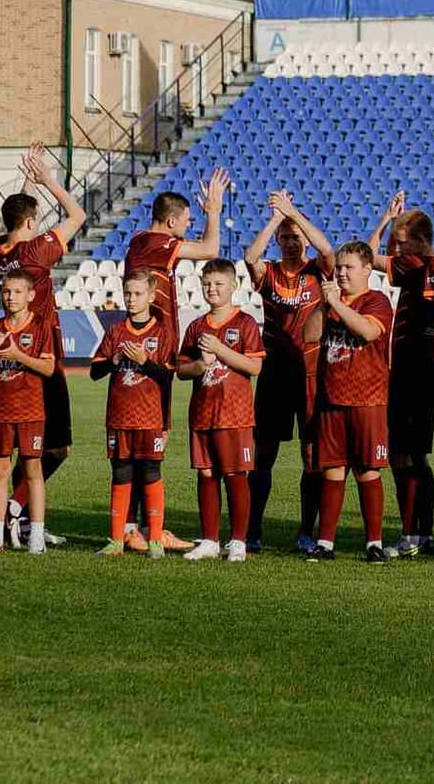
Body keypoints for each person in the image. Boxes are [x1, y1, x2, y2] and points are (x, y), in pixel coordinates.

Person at [123, 168, 230, 550]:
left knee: (142, 441)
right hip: (155, 350)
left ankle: (133, 527)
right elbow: (210, 250)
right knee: (153, 439)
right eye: (188, 220)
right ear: (171, 222)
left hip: (147, 344)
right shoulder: (156, 242)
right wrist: (215, 210)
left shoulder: (139, 240)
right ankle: (145, 529)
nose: (191, 225)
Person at [0, 144, 86, 546]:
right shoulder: (35, 251)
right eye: (37, 217)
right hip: (41, 353)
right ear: (30, 221)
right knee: (56, 448)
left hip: (14, 359)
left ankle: (21, 518)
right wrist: (48, 180)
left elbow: (17, 217)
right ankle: (16, 508)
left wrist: (27, 182)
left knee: (22, 450)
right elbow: (77, 215)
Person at [243, 190, 333, 553]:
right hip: (275, 372)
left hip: (311, 373)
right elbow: (250, 256)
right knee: (264, 453)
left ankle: (305, 531)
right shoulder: (270, 274)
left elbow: (327, 250)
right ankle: (251, 530)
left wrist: (293, 213)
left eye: (297, 238)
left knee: (312, 455)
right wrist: (277, 219)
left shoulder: (317, 270)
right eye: (286, 238)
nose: (292, 243)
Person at [302, 242, 395, 562]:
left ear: (367, 269)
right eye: (339, 267)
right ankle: (325, 542)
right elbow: (310, 335)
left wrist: (337, 306)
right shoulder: (331, 302)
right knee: (332, 472)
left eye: (348, 267)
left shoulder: (377, 300)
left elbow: (368, 331)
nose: (341, 272)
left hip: (367, 400)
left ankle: (374, 542)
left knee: (367, 472)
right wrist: (323, 305)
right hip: (332, 399)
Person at [370, 192, 434, 558]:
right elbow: (374, 254)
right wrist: (389, 220)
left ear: (419, 241)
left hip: (417, 370)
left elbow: (370, 256)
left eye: (401, 243)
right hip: (402, 370)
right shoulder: (418, 263)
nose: (395, 249)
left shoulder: (424, 265)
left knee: (411, 455)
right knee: (403, 454)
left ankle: (417, 533)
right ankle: (415, 531)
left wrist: (388, 221)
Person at [176, 260, 264, 563]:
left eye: (218, 284)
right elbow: (181, 369)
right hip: (202, 412)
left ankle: (238, 541)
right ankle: (210, 540)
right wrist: (200, 365)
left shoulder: (245, 323)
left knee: (235, 475)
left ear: (233, 286)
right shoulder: (196, 326)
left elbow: (254, 366)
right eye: (207, 284)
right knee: (206, 474)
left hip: (234, 414)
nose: (212, 290)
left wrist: (220, 350)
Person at [88, 271, 174, 559]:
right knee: (120, 472)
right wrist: (114, 360)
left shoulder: (161, 333)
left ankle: (156, 541)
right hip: (119, 417)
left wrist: (144, 362)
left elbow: (167, 376)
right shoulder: (115, 331)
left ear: (150, 296)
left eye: (137, 294)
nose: (131, 299)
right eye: (127, 293)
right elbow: (94, 372)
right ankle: (115, 539)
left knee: (151, 473)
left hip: (150, 418)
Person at [0, 269, 58, 555]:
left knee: (31, 471)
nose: (10, 297)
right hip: (0, 411)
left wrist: (16, 355)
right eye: (7, 291)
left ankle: (36, 534)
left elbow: (48, 368)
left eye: (17, 292)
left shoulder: (41, 327)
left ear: (31, 295)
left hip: (30, 410)